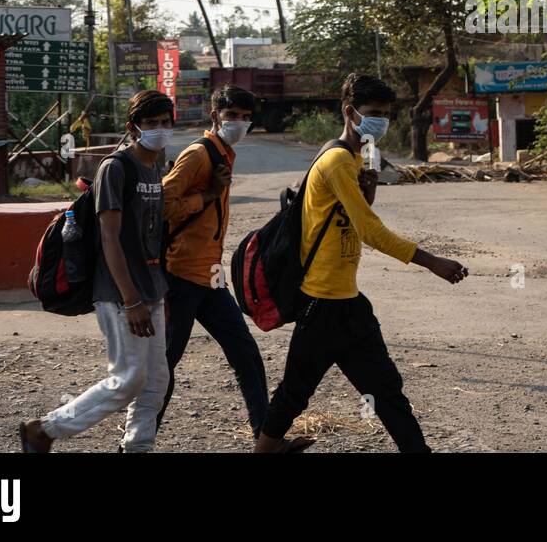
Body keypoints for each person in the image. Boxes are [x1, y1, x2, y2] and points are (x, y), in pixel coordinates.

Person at [254, 73, 469, 453]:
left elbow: (345, 222)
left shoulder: (352, 156)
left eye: (386, 114)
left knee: (387, 392)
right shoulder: (337, 159)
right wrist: (431, 261)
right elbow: (369, 231)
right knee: (295, 392)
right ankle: (265, 450)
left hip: (348, 302)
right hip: (321, 302)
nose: (380, 121)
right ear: (350, 112)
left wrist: (366, 195)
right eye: (372, 113)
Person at [20, 90, 174, 452]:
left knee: (156, 380)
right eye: (151, 123)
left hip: (151, 288)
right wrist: (131, 299)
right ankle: (44, 429)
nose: (160, 129)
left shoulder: (154, 167)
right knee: (127, 380)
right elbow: (110, 238)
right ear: (133, 127)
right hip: (120, 292)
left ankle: (138, 447)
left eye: (165, 122)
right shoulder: (116, 168)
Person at [156, 84, 278, 445]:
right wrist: (206, 195)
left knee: (247, 357)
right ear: (215, 117)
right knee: (164, 368)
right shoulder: (199, 154)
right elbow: (160, 205)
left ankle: (265, 440)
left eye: (245, 117)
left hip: (210, 276)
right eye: (231, 117)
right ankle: (134, 444)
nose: (239, 123)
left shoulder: (225, 153)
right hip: (180, 275)